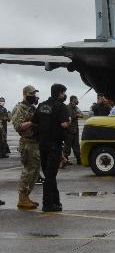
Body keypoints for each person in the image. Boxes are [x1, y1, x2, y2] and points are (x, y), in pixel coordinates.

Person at [32, 84, 71, 212]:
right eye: (63, 93)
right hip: (54, 144)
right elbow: (64, 124)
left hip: (42, 144)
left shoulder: (42, 105)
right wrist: (69, 121)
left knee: (49, 174)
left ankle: (55, 201)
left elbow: (35, 122)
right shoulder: (61, 106)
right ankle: (48, 204)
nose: (64, 95)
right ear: (60, 93)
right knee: (50, 175)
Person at [11, 85, 41, 210]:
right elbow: (18, 126)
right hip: (27, 143)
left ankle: (26, 196)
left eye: (35, 94)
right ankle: (22, 198)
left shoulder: (32, 108)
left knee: (35, 172)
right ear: (25, 94)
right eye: (32, 94)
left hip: (35, 142)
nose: (34, 96)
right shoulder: (19, 108)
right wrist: (32, 122)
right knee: (28, 171)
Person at [63, 95, 83, 165]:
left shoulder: (75, 107)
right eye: (76, 99)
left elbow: (81, 114)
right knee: (67, 145)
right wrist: (76, 115)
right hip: (69, 129)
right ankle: (65, 160)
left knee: (76, 145)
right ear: (73, 100)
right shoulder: (68, 107)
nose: (77, 101)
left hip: (75, 129)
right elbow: (69, 117)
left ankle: (78, 159)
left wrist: (79, 114)